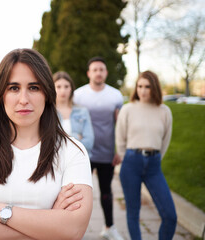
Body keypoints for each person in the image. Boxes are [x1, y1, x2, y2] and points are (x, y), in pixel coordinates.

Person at [0, 48, 93, 240]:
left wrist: (2, 212)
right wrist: (50, 225)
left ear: (47, 93)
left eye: (34, 87)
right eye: (14, 88)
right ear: (1, 95)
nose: (24, 99)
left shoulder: (72, 151)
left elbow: (73, 230)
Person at [116, 71, 177, 240]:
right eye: (140, 86)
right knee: (133, 212)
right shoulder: (128, 108)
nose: (143, 90)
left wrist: (155, 158)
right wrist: (125, 158)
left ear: (154, 88)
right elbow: (120, 137)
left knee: (170, 216)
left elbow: (165, 140)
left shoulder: (164, 111)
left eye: (147, 87)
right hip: (131, 163)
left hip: (153, 166)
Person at [73, 56, 124, 240]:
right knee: (79, 194)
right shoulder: (78, 94)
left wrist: (120, 150)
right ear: (89, 73)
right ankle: (74, 230)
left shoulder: (115, 95)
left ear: (106, 73)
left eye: (101, 69)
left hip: (106, 153)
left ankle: (109, 227)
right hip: (82, 153)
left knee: (106, 192)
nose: (98, 72)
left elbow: (120, 125)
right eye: (95, 69)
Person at [53, 71, 94, 157]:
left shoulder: (82, 111)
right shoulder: (47, 112)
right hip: (55, 160)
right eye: (58, 87)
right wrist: (76, 137)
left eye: (66, 86)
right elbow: (47, 142)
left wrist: (61, 140)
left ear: (71, 88)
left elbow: (89, 142)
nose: (63, 90)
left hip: (79, 159)